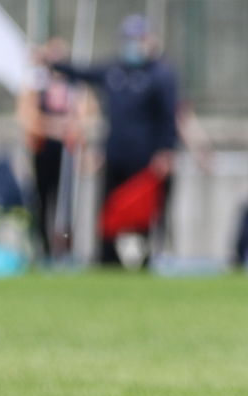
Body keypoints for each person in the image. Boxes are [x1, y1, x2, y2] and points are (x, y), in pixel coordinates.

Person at [54, 16, 183, 267]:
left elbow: (169, 116)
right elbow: (82, 72)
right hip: (115, 155)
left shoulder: (161, 75)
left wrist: (166, 150)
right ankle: (106, 258)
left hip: (145, 158)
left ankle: (140, 260)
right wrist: (55, 63)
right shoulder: (114, 70)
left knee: (140, 212)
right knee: (109, 210)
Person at [16, 38, 79, 260]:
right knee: (41, 201)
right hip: (42, 152)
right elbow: (28, 118)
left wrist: (71, 129)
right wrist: (55, 127)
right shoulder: (36, 85)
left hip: (67, 154)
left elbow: (85, 118)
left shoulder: (75, 87)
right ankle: (42, 248)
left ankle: (65, 248)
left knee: (66, 204)